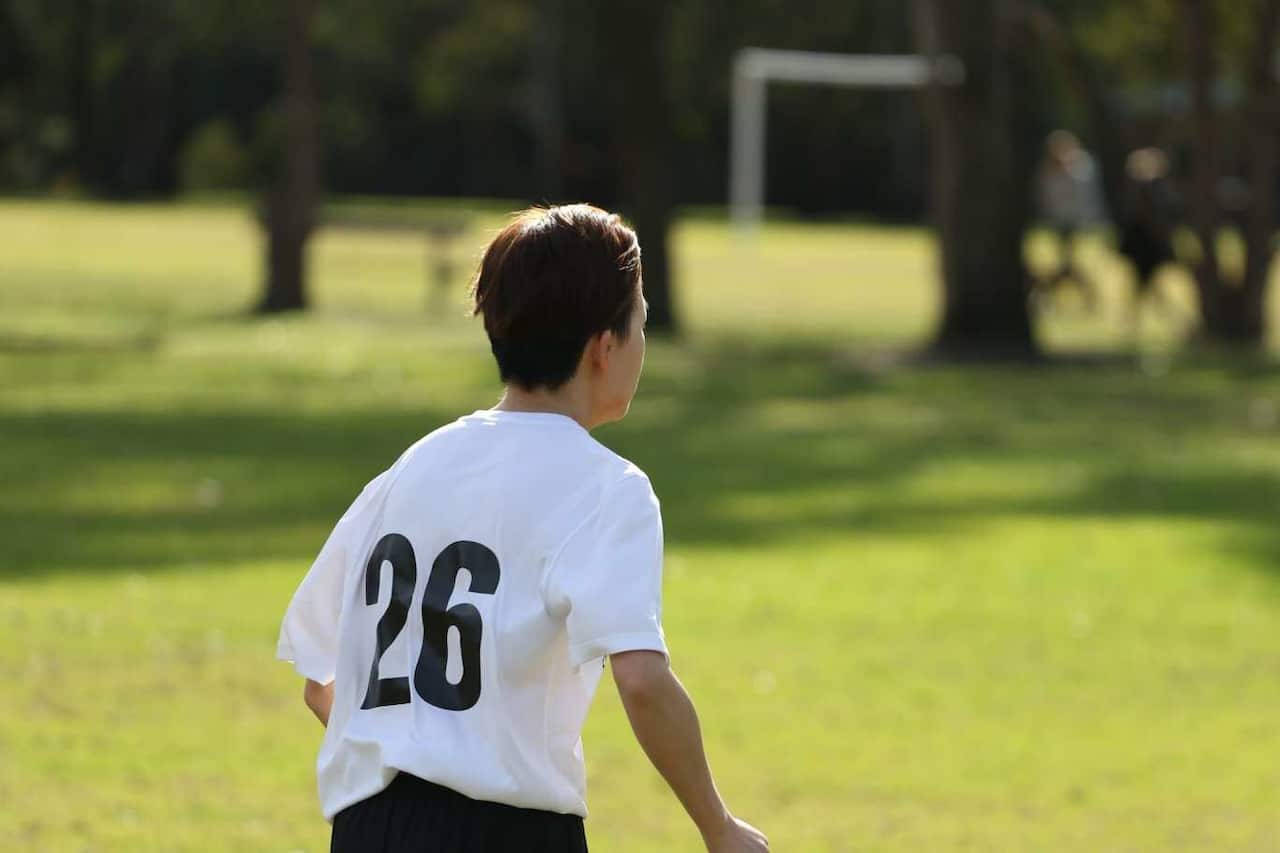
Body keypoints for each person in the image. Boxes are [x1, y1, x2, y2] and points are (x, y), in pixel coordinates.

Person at [276, 204, 768, 853]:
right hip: (508, 830)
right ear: (604, 347)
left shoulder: (412, 468)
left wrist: (414, 756)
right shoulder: (607, 488)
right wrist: (719, 827)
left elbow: (323, 677)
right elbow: (643, 681)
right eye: (641, 322)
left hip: (370, 824)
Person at [1033, 130, 1106, 313]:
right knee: (1066, 265)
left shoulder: (1082, 168)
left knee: (1070, 265)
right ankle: (1079, 297)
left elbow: (1086, 198)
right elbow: (1046, 197)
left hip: (1080, 223)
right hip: (1060, 223)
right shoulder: (1048, 171)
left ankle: (1084, 297)